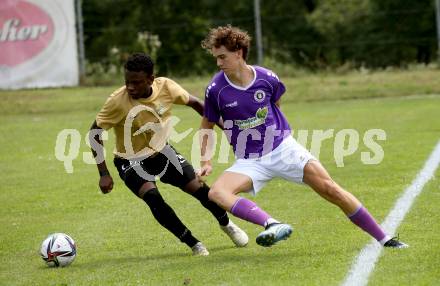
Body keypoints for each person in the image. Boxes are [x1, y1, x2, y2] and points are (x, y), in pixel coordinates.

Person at [198, 25, 408, 248]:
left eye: (223, 57)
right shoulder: (216, 89)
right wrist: (206, 160)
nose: (219, 63)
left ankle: (385, 239)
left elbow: (276, 105)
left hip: (283, 149)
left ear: (238, 52)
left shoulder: (267, 78)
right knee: (217, 193)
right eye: (216, 58)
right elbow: (206, 125)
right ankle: (272, 224)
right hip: (249, 160)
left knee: (331, 189)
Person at [89, 52, 248, 256]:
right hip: (129, 160)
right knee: (153, 197)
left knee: (200, 189)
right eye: (127, 82)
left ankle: (227, 225)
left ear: (150, 79)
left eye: (136, 82)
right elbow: (95, 133)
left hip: (162, 151)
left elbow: (197, 104)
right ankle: (193, 243)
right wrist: (103, 173)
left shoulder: (166, 87)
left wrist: (224, 127)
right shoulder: (117, 102)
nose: (130, 87)